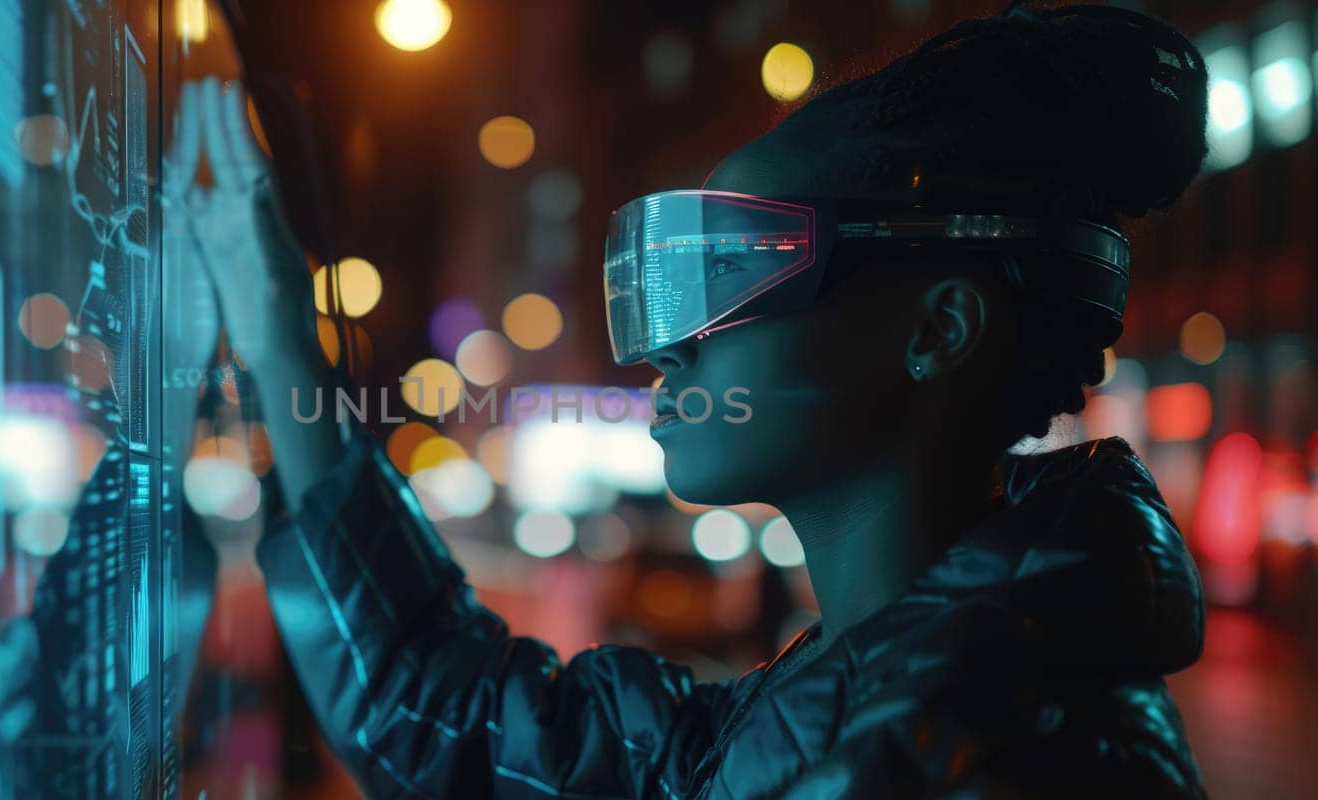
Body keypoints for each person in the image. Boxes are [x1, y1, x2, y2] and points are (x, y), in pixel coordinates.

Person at [178, 3, 1211, 797]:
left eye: (733, 271)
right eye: (671, 281)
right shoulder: (850, 700)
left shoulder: (1016, 752)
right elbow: (442, 707)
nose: (671, 345)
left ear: (936, 329)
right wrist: (276, 324)